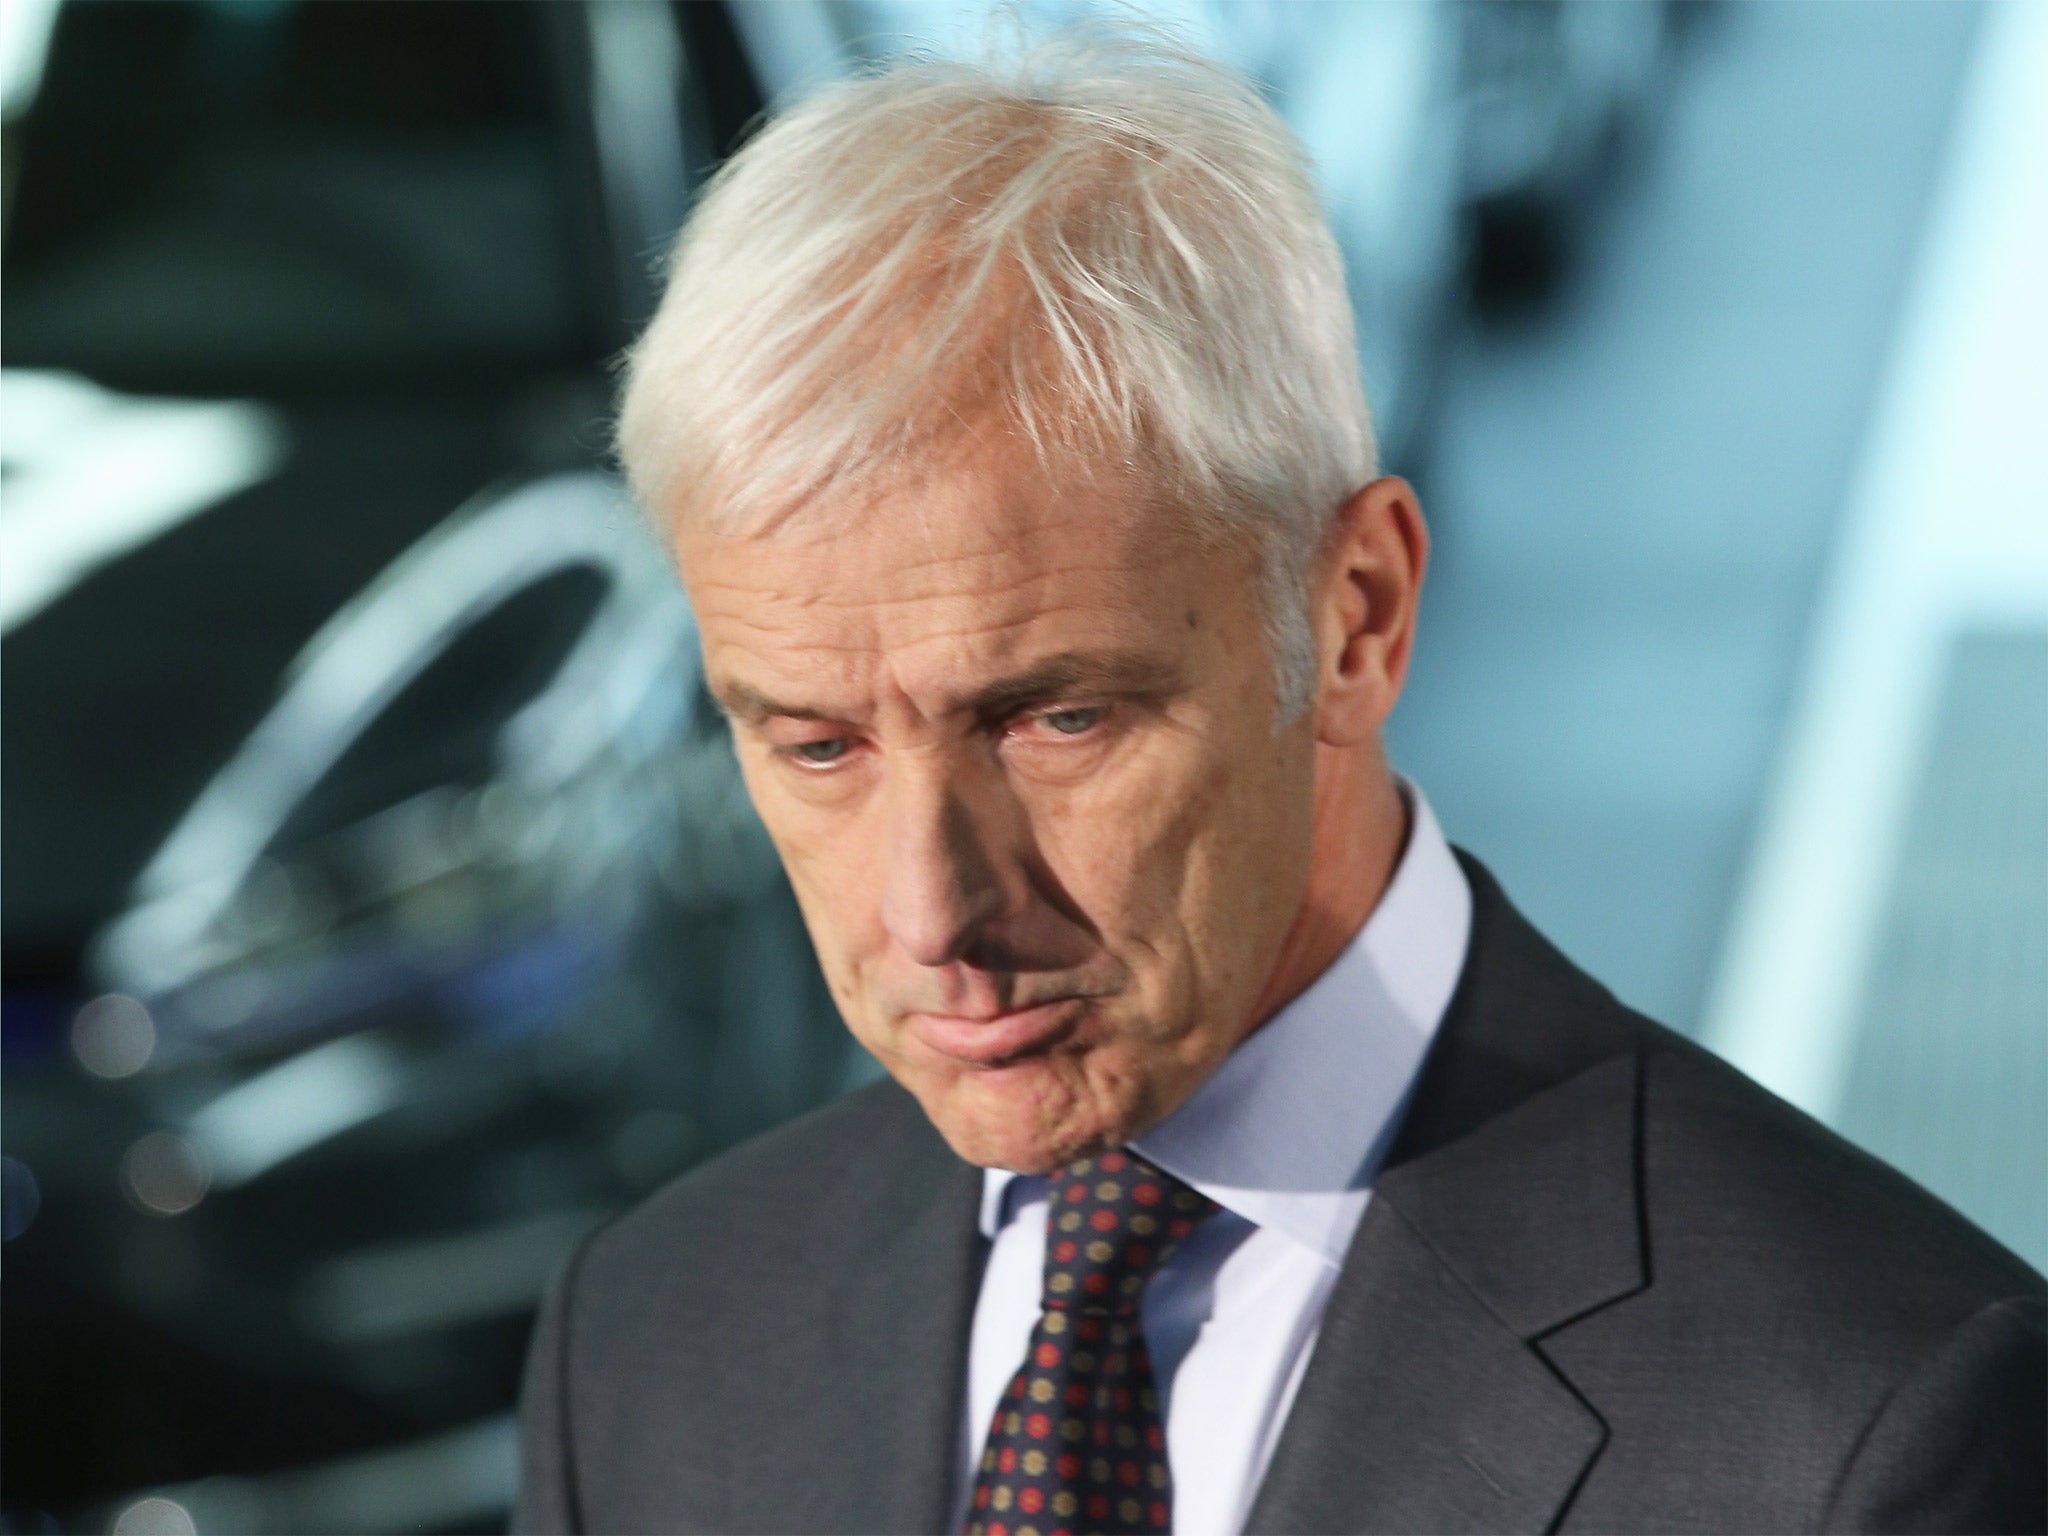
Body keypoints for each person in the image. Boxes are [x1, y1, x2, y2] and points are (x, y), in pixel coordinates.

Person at [514, 33, 2045, 1536]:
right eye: (817, 745)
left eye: (1055, 720)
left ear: (1357, 613)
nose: (930, 915)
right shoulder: (650, 1342)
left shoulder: (1878, 1424)